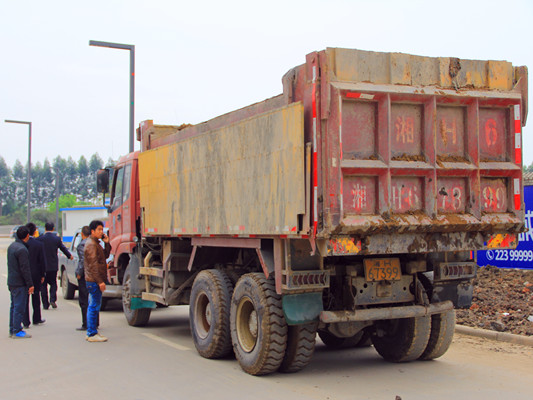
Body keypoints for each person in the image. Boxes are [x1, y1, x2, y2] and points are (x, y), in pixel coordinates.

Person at [84, 220, 111, 342]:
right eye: (99, 229)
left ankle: (92, 331)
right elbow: (93, 266)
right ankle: (91, 333)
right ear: (92, 231)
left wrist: (107, 244)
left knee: (93, 305)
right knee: (94, 306)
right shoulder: (91, 245)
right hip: (93, 280)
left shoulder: (96, 243)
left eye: (102, 229)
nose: (101, 232)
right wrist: (100, 281)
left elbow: (104, 256)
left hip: (93, 279)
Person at [37, 222, 73, 309]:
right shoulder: (56, 239)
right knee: (53, 283)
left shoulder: (39, 239)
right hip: (53, 266)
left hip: (42, 267)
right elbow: (63, 248)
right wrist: (69, 256)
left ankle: (45, 304)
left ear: (45, 228)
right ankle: (52, 299)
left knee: (43, 285)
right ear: (53, 229)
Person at [7, 226, 34, 339]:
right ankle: (17, 330)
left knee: (14, 306)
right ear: (27, 236)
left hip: (12, 281)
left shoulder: (12, 247)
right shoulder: (22, 250)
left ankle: (12, 328)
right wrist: (30, 284)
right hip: (19, 283)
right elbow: (25, 269)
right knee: (19, 307)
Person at [23, 223, 47, 328]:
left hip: (24, 274)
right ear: (34, 232)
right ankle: (36, 318)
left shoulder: (22, 244)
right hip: (36, 274)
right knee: (36, 296)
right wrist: (42, 274)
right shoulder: (38, 244)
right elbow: (42, 261)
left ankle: (25, 321)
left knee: (25, 298)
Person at [75, 226, 91, 331]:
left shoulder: (82, 244)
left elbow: (82, 260)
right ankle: (94, 322)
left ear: (82, 234)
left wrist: (78, 273)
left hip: (85, 275)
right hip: (93, 275)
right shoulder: (95, 243)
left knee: (84, 300)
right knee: (93, 300)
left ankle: (86, 323)